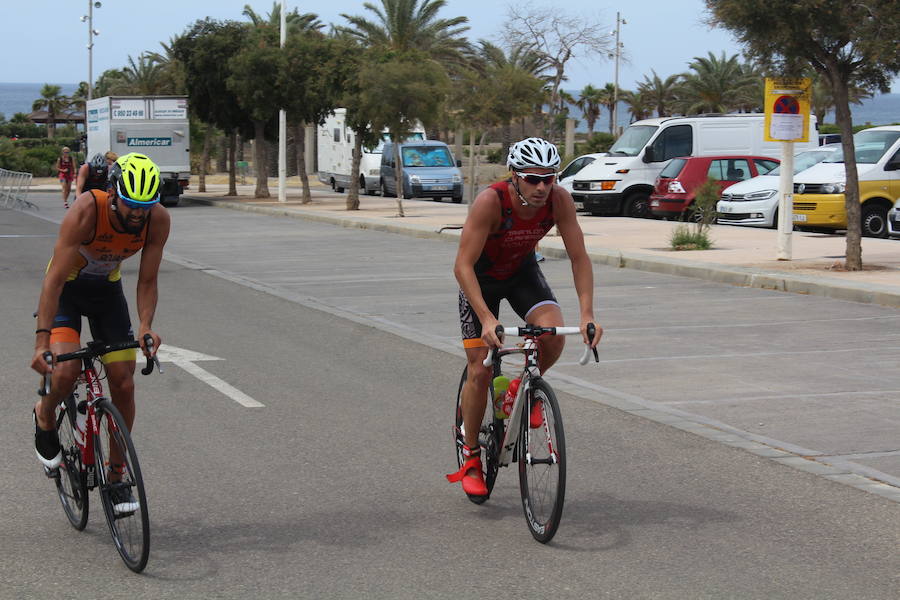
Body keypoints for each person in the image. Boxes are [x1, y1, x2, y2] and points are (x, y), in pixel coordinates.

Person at [446, 137, 602, 496]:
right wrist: (486, 318)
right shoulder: (491, 201)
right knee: (481, 369)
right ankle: (470, 456)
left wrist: (587, 314)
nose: (542, 187)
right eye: (533, 178)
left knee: (554, 333)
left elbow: (579, 258)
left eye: (549, 177)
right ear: (514, 176)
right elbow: (462, 266)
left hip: (521, 275)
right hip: (479, 282)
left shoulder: (559, 200)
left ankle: (519, 389)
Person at [31, 152, 171, 514]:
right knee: (64, 372)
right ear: (113, 191)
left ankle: (116, 476)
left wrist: (144, 326)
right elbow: (54, 281)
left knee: (123, 382)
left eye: (146, 205)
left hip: (107, 294)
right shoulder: (86, 210)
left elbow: (147, 279)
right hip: (68, 292)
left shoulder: (157, 219)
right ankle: (45, 415)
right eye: (130, 204)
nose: (138, 213)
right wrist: (42, 341)